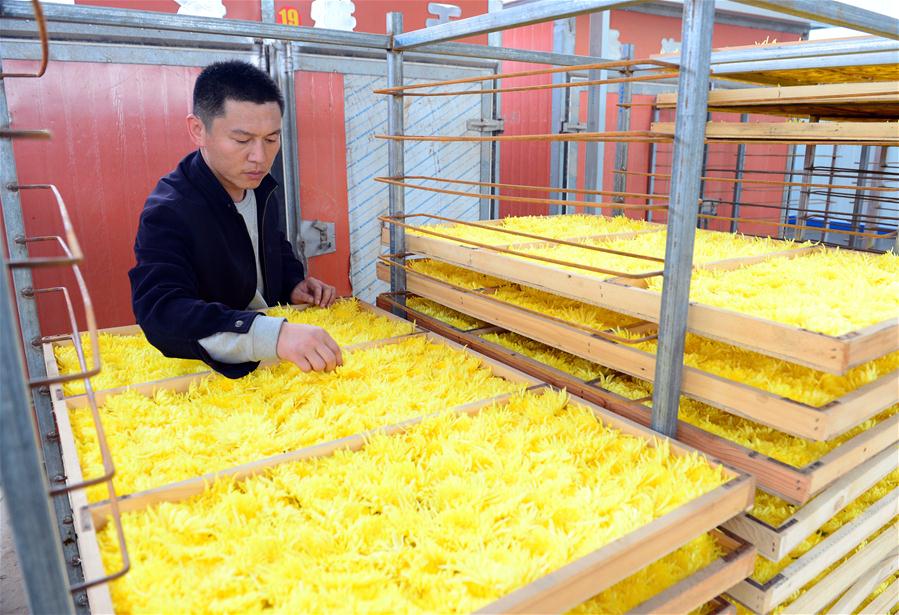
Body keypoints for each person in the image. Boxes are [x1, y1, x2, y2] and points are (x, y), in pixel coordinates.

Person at [129, 60, 342, 379]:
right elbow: (162, 313)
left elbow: (270, 246)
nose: (260, 156)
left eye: (271, 139)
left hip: (273, 368)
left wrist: (292, 284)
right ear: (198, 130)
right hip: (210, 376)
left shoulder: (258, 186)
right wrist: (275, 335)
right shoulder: (170, 210)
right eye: (242, 140)